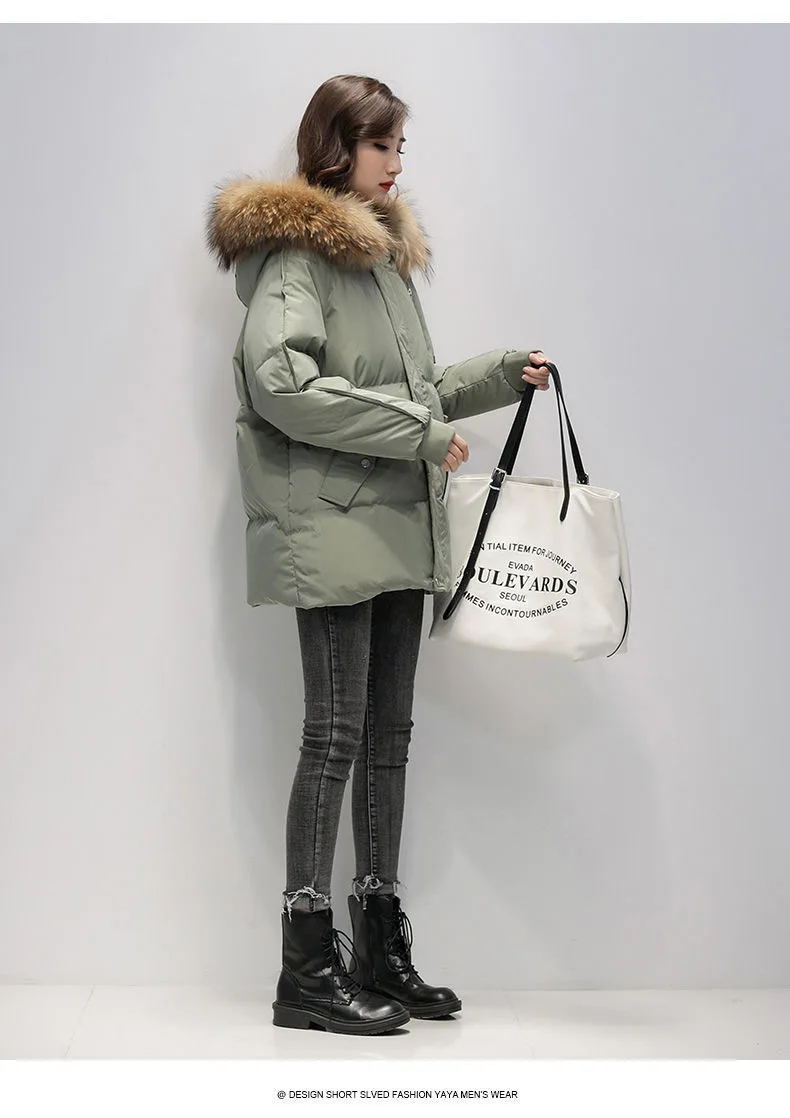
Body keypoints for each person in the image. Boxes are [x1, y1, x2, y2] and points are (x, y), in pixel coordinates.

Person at [205, 73, 551, 1036]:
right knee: (334, 738)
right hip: (332, 526)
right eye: (382, 145)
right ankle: (306, 968)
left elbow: (418, 389)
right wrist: (418, 433)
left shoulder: (383, 261)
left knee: (389, 738)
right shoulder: (295, 260)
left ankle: (378, 945)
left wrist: (501, 376)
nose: (397, 163)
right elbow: (282, 386)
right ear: (336, 148)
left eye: (401, 147)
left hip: (396, 520)